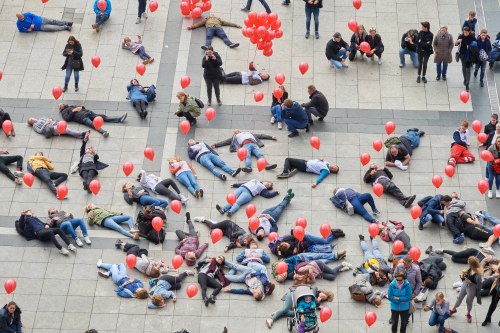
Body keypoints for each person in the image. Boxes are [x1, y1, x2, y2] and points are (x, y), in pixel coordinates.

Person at [212, 129, 278, 172]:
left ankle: (267, 165)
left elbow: (261, 135)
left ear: (240, 130)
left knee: (259, 155)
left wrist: (271, 137)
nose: (236, 131)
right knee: (247, 156)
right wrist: (216, 145)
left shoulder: (248, 133)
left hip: (254, 144)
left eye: (237, 130)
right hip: (245, 145)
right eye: (235, 132)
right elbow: (226, 142)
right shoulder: (235, 137)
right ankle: (248, 167)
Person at [266, 288, 334, 329]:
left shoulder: (314, 301)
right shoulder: (315, 290)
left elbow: (312, 307)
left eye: (323, 299)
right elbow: (312, 295)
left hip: (298, 304)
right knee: (286, 309)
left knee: (295, 314)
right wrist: (318, 303)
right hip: (293, 296)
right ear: (322, 292)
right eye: (323, 296)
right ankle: (271, 319)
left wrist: (317, 306)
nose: (322, 297)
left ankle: (278, 312)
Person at [215, 180, 280, 217]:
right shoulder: (255, 180)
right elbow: (244, 183)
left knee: (238, 202)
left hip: (248, 193)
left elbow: (268, 195)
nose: (267, 185)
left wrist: (275, 193)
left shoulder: (263, 188)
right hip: (242, 187)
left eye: (268, 186)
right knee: (232, 199)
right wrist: (235, 185)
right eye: (268, 183)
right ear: (265, 181)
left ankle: (231, 212)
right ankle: (223, 209)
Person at [274, 251, 348, 283]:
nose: (284, 276)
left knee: (319, 255)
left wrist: (295, 267)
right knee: (324, 261)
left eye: (282, 275)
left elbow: (293, 258)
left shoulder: (285, 264)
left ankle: (335, 255)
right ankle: (337, 258)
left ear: (280, 272)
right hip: (307, 264)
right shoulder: (290, 276)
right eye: (283, 278)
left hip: (302, 257)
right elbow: (300, 273)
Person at [270, 228, 346, 259]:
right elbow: (281, 259)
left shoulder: (286, 239)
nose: (289, 245)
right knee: (324, 245)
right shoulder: (285, 253)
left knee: (324, 241)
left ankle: (333, 233)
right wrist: (294, 252)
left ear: (285, 243)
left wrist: (296, 246)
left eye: (288, 244)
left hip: (305, 237)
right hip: (306, 246)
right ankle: (335, 234)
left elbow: (296, 237)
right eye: (288, 246)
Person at [449, 257, 483, 323]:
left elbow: (479, 286)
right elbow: (466, 277)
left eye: (468, 261)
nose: (467, 262)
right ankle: (453, 309)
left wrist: (470, 283)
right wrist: (463, 277)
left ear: (471, 264)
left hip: (472, 288)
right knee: (459, 297)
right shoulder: (470, 268)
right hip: (465, 284)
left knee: (469, 301)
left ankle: (468, 314)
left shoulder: (478, 275)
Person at [59, 103, 127, 136]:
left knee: (103, 117)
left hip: (88, 113)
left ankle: (119, 119)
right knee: (93, 125)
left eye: (62, 103)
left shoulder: (71, 106)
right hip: (83, 118)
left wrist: (81, 107)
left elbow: (82, 107)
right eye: (61, 105)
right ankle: (103, 132)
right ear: (61, 108)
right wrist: (73, 111)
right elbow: (67, 119)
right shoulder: (64, 112)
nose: (62, 104)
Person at [455, 27, 476, 92]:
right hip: (462, 54)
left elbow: (474, 46)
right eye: (464, 32)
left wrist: (464, 41)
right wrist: (457, 41)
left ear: (469, 32)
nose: (465, 33)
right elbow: (456, 44)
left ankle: (467, 84)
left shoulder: (472, 38)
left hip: (469, 56)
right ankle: (465, 79)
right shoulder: (461, 36)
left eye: (466, 32)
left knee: (468, 69)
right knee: (464, 68)